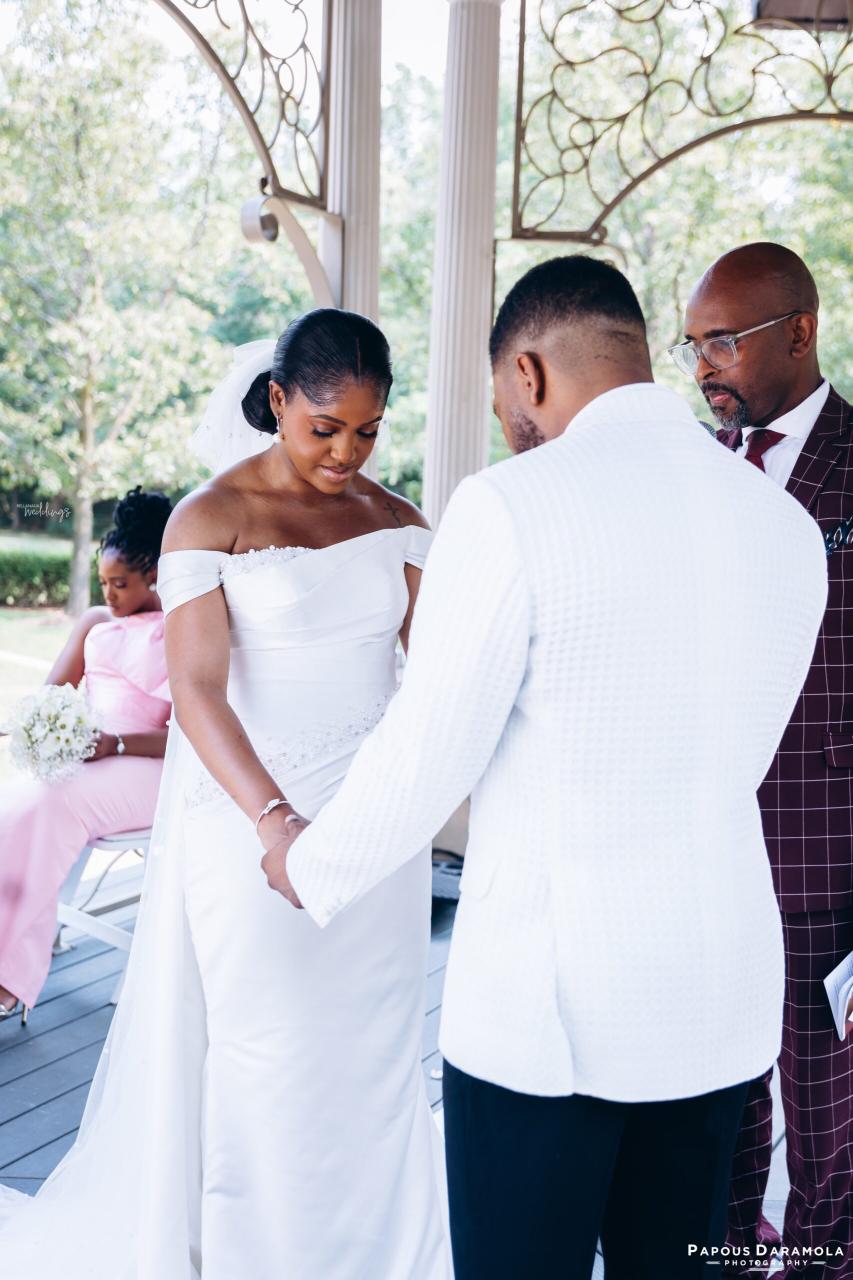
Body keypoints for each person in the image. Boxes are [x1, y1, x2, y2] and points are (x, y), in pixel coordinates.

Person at [265, 256, 829, 1280]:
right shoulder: (784, 526)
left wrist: (309, 861)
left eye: (502, 402)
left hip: (551, 1022)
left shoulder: (510, 506)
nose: (507, 424)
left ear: (526, 372)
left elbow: (425, 750)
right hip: (718, 1004)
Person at [0, 311, 451, 1280]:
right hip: (249, 819)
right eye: (324, 427)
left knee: (373, 1047)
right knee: (269, 1045)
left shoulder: (401, 522)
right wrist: (274, 821)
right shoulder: (209, 518)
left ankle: (376, 1253)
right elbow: (198, 690)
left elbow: (440, 678)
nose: (346, 452)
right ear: (278, 401)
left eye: (368, 430)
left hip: (372, 829)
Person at [675, 242, 853, 1279]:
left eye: (723, 341)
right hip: (701, 842)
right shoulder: (691, 473)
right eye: (693, 345)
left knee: (829, 1109)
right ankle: (728, 1256)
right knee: (718, 1088)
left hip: (826, 844)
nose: (703, 366)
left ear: (798, 331)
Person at [0, 486, 171, 1022]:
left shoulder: (183, 629)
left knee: (52, 804)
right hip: (86, 756)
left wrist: (115, 744)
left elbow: (189, 735)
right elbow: (50, 696)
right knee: (16, 805)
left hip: (151, 764)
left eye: (121, 584)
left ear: (154, 575)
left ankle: (7, 980)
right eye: (103, 583)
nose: (109, 595)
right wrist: (48, 731)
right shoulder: (96, 623)